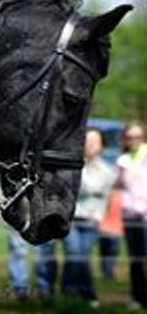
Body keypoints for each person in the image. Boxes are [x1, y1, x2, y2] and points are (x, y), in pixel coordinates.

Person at [61, 127, 116, 307]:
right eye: (87, 141)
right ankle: (88, 294)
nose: (91, 145)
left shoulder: (108, 171)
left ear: (101, 145)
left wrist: (101, 214)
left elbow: (107, 196)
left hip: (92, 221)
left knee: (80, 257)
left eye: (95, 142)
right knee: (76, 254)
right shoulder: (74, 168)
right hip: (72, 219)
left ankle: (67, 290)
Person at [116, 121, 147, 310]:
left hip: (146, 217)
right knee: (135, 259)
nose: (133, 140)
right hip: (129, 217)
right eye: (129, 137)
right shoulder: (123, 160)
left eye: (137, 136)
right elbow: (119, 186)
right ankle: (137, 296)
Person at [98, 186, 123, 280]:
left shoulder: (113, 195)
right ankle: (108, 274)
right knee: (110, 253)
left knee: (108, 253)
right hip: (109, 228)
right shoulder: (118, 195)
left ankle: (108, 274)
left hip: (113, 228)